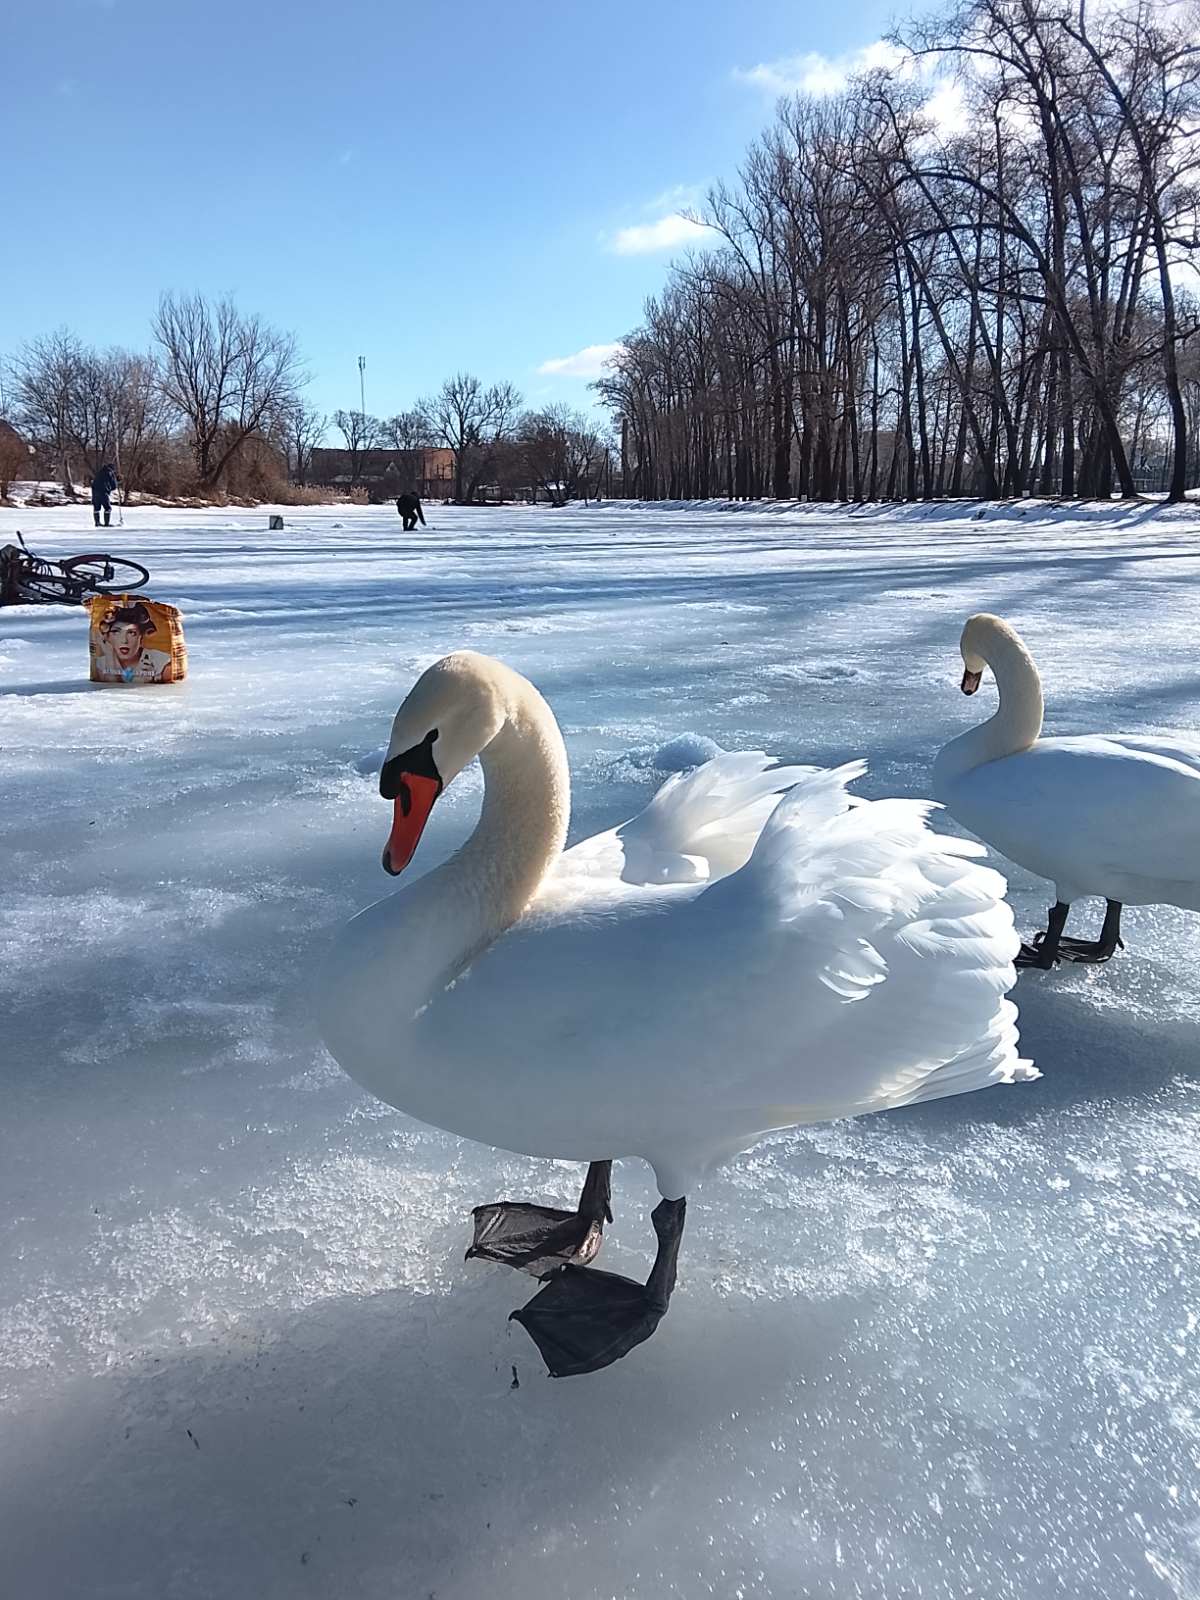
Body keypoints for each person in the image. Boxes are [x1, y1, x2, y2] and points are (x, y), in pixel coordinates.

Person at [94, 600, 171, 683]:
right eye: (116, 632)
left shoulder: (161, 662)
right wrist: (110, 659)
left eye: (131, 633)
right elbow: (108, 687)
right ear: (107, 636)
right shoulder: (101, 664)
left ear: (141, 636)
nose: (124, 640)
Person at [91, 463, 119, 528]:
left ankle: (97, 523)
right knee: (108, 508)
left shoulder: (99, 472)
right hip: (103, 492)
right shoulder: (110, 473)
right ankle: (106, 523)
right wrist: (117, 480)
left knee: (96, 508)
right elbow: (114, 486)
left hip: (95, 492)